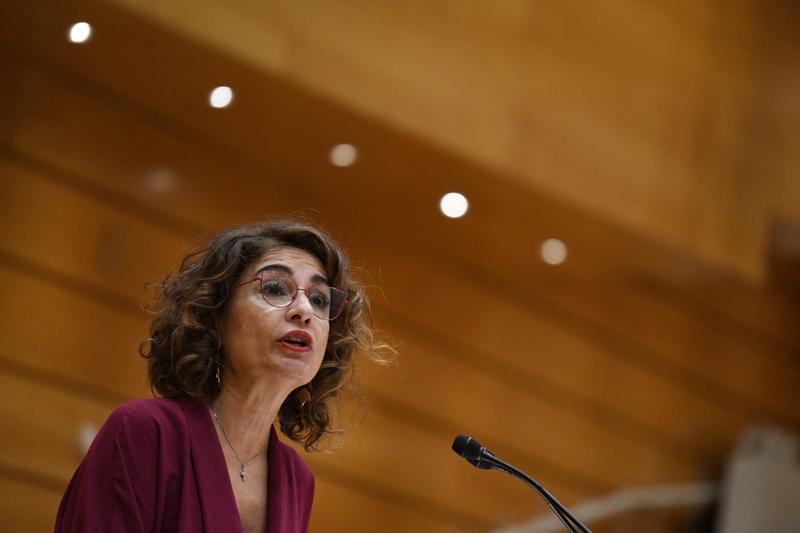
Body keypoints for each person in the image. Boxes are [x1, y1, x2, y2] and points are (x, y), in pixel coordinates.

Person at [55, 219, 386, 533]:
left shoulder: (297, 479)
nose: (304, 310)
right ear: (216, 316)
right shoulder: (144, 431)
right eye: (275, 288)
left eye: (319, 299)